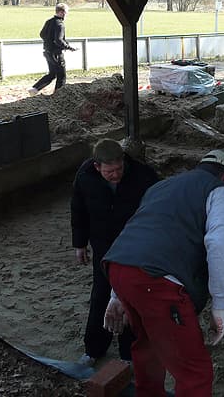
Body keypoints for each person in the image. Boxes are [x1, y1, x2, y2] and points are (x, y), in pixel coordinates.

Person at [102, 149, 224, 397]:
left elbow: (140, 231)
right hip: (157, 282)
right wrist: (220, 305)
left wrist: (116, 294)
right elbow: (219, 243)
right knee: (194, 371)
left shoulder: (162, 187)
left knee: (147, 348)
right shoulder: (220, 192)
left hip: (119, 268)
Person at [71, 138, 160, 366]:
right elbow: (78, 210)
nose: (116, 175)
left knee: (130, 297)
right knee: (101, 296)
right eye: (109, 171)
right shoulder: (84, 177)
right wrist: (79, 243)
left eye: (119, 169)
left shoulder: (143, 176)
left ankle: (128, 354)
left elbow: (157, 210)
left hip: (134, 247)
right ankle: (94, 348)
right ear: (97, 166)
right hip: (103, 248)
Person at [29, 3, 76, 95]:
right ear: (62, 12)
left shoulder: (49, 21)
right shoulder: (60, 24)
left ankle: (34, 89)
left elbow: (42, 34)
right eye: (66, 12)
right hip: (57, 54)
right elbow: (59, 40)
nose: (67, 14)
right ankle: (59, 96)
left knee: (52, 74)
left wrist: (49, 42)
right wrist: (70, 47)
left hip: (47, 52)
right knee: (61, 76)